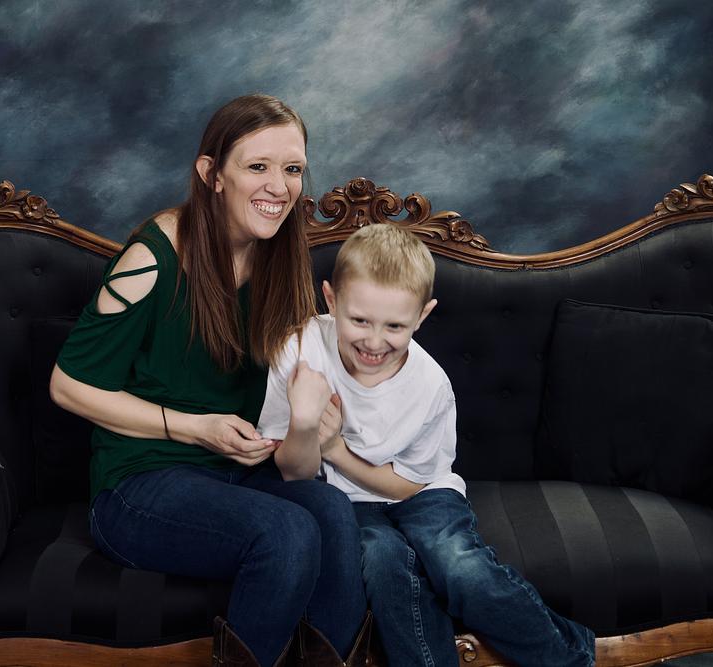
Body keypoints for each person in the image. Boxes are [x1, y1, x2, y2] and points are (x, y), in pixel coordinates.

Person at [49, 94, 370, 667]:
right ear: (212, 174)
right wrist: (194, 427)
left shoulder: (280, 253)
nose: (279, 187)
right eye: (257, 166)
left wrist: (317, 418)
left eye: (293, 169)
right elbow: (67, 385)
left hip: (235, 473)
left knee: (330, 512)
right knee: (286, 532)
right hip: (137, 484)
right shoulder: (153, 256)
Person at [258, 223, 596, 666]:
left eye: (395, 326)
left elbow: (409, 487)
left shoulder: (431, 385)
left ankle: (571, 657)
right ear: (331, 299)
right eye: (359, 320)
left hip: (421, 493)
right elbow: (292, 474)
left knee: (457, 565)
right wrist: (304, 425)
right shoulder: (301, 350)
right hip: (344, 502)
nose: (374, 342)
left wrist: (336, 449)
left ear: (422, 315)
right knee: (383, 562)